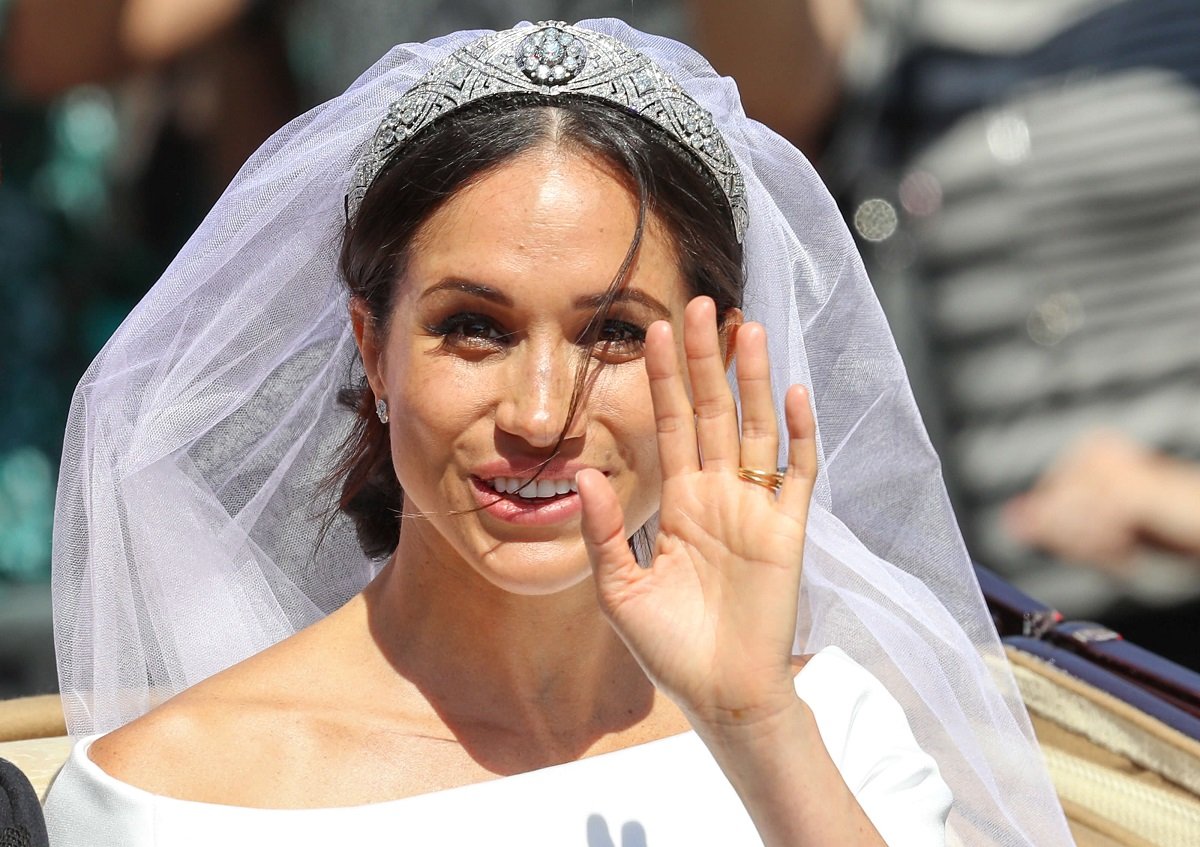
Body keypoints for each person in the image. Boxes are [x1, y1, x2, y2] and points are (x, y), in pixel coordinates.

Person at [42, 20, 1072, 845]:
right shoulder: (170, 797)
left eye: (614, 334)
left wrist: (754, 727)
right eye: (473, 328)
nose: (541, 415)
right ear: (372, 346)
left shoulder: (829, 733)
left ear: (715, 357)